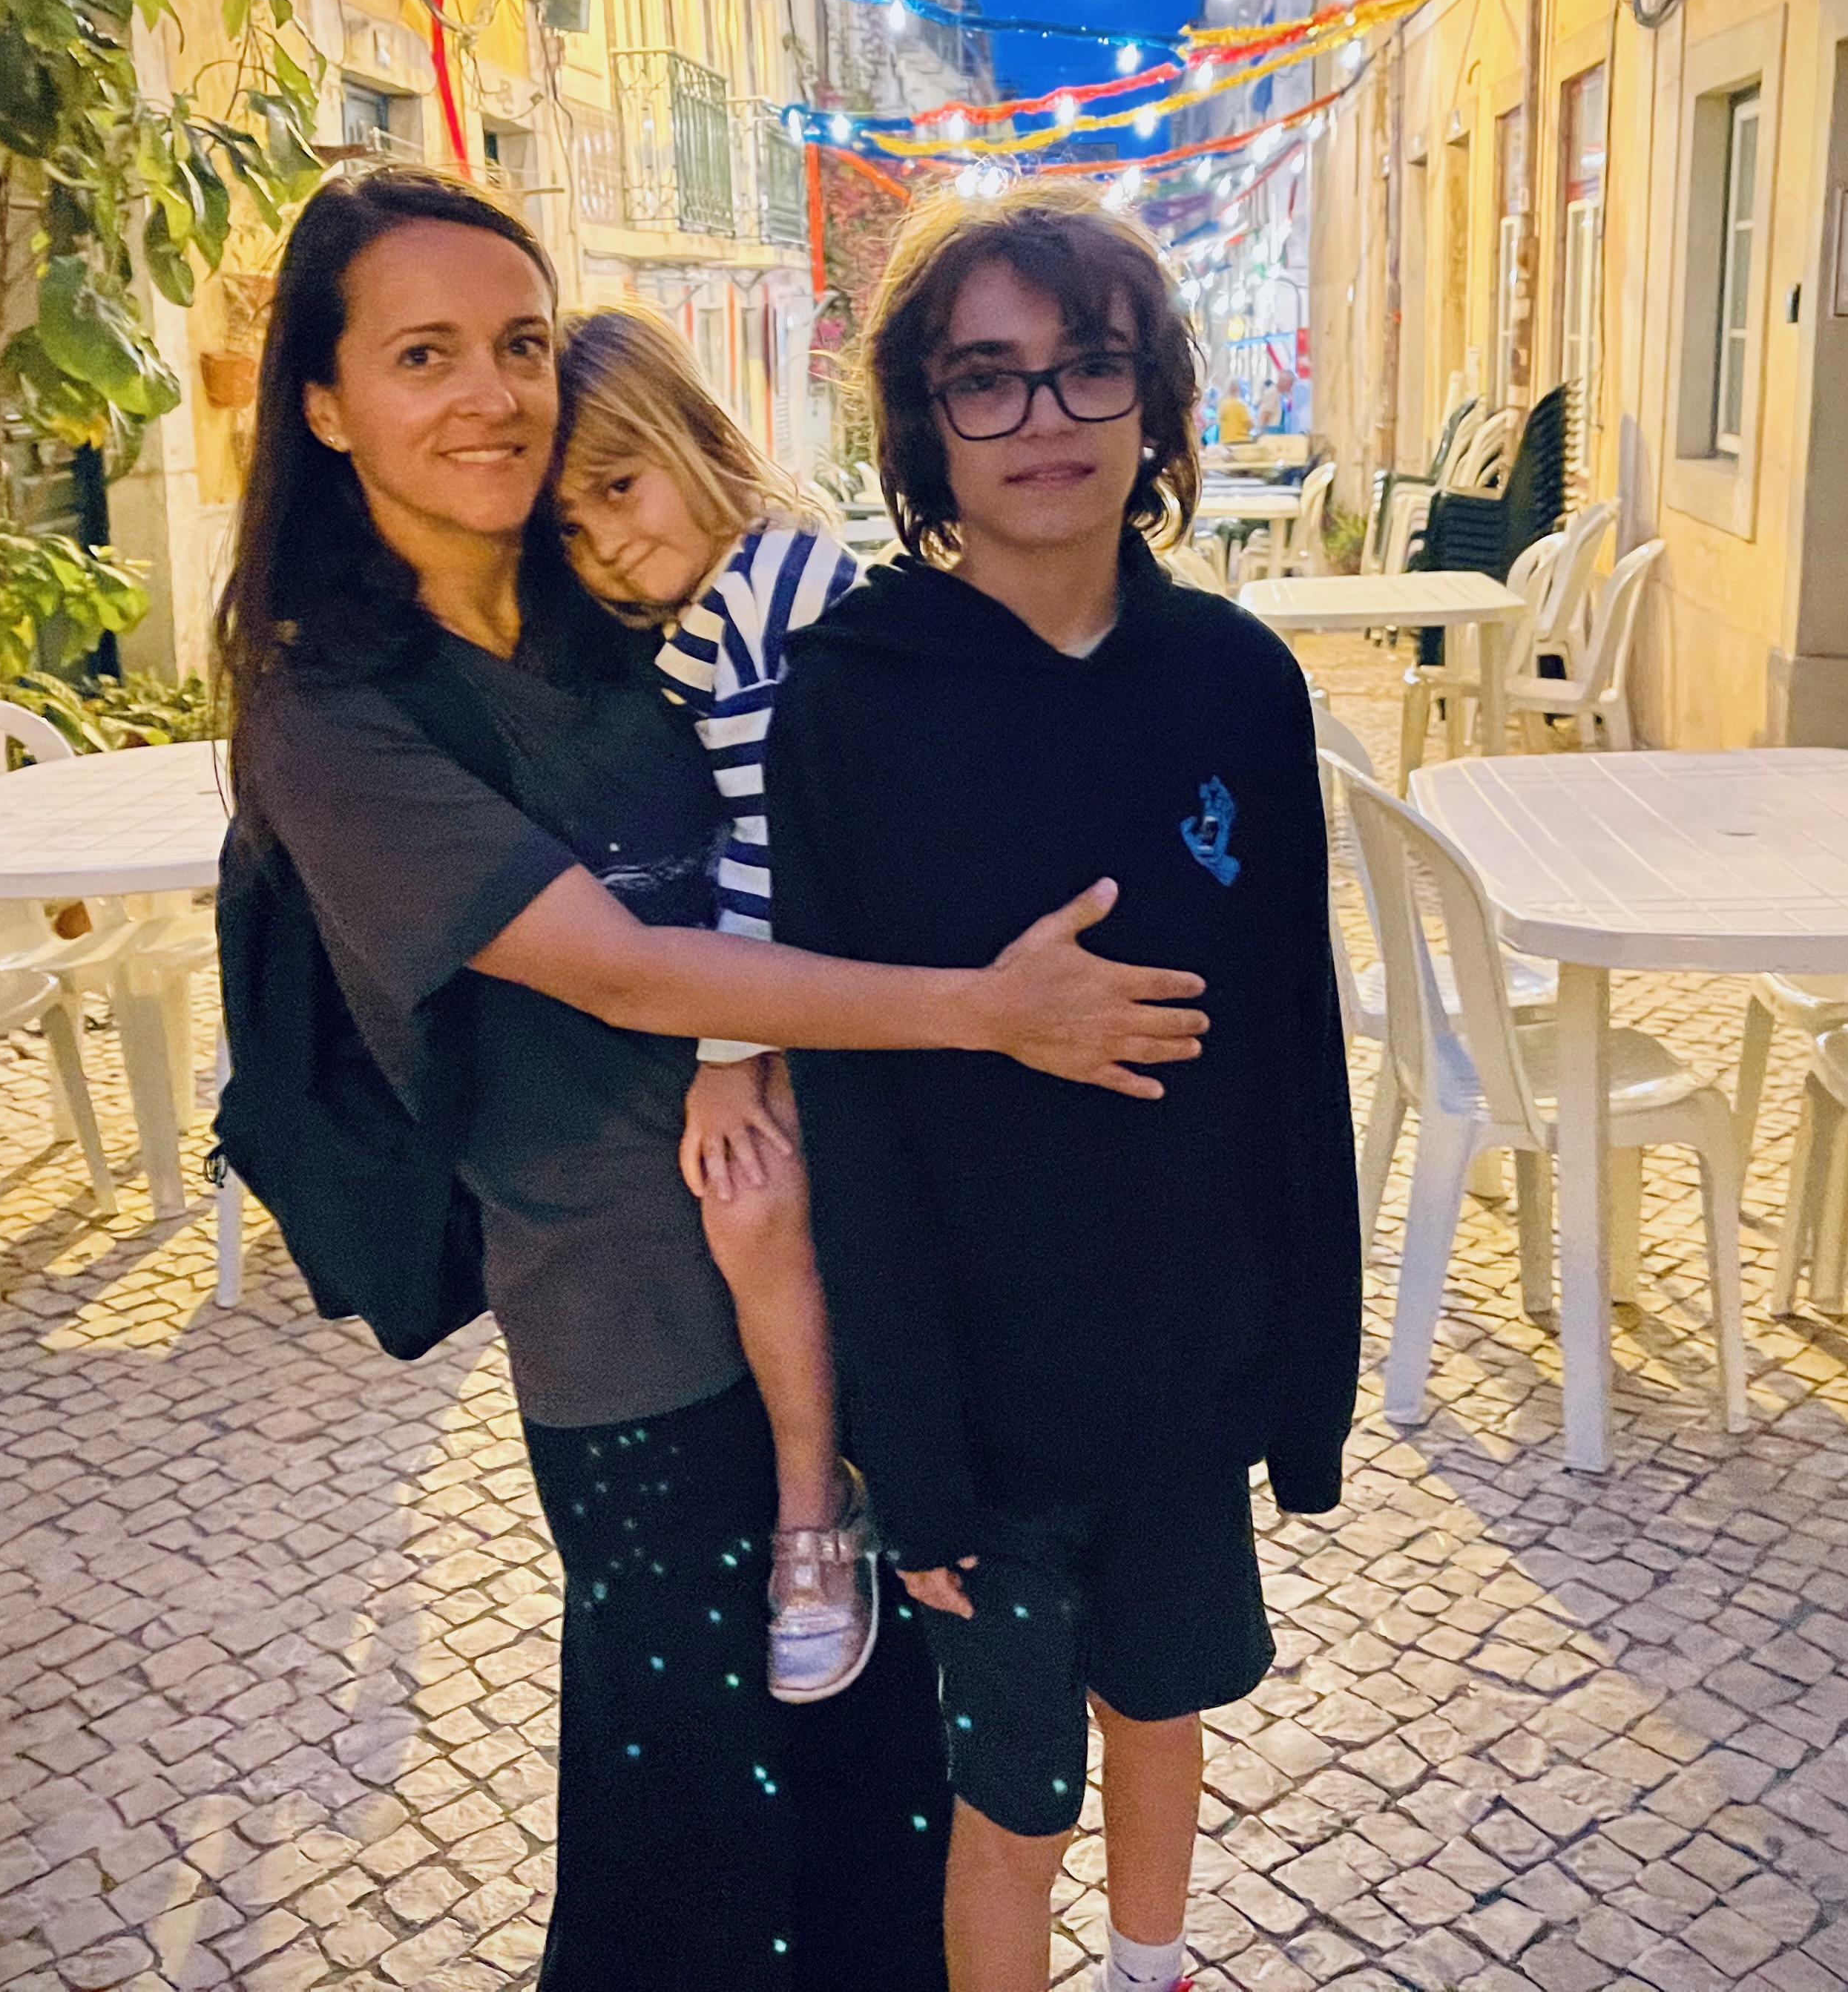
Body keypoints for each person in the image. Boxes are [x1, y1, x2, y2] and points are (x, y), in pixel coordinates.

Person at [217, 166, 1216, 1991]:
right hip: (631, 1332)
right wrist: (989, 1012)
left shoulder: (620, 611)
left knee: (886, 1799)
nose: (492, 394)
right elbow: (620, 966)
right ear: (325, 401)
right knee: (687, 1830)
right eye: (424, 354)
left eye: (521, 344)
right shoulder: (335, 715)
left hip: (865, 1269)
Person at [766, 183, 1363, 1992]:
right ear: (923, 427)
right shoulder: (851, 699)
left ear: (1157, 403)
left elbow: (1293, 1050)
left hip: (1188, 1360)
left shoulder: (1239, 681)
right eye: (988, 378)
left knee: (1164, 1712)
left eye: (1090, 367)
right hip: (986, 1390)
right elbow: (844, 1087)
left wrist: (1305, 1377)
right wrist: (911, 1445)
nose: (1044, 419)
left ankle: (1153, 1967)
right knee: (1010, 1806)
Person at [547, 301, 874, 1706]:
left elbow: (777, 839)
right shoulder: (716, 608)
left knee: (750, 1199)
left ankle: (814, 1506)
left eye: (620, 488)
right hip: (838, 969)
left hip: (866, 970)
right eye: (573, 526)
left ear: (692, 438)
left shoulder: (772, 596)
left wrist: (728, 1053)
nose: (608, 544)